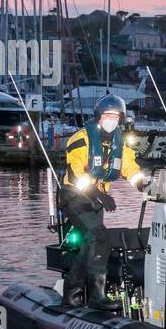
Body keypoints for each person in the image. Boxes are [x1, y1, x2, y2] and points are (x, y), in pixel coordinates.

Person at [61, 94, 149, 309]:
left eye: (116, 116)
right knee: (100, 238)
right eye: (107, 115)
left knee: (88, 246)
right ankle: (97, 297)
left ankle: (71, 294)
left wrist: (144, 185)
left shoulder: (119, 143)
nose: (111, 119)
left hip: (96, 200)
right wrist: (97, 194)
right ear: (98, 116)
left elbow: (130, 168)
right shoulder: (81, 139)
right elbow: (74, 174)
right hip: (75, 197)